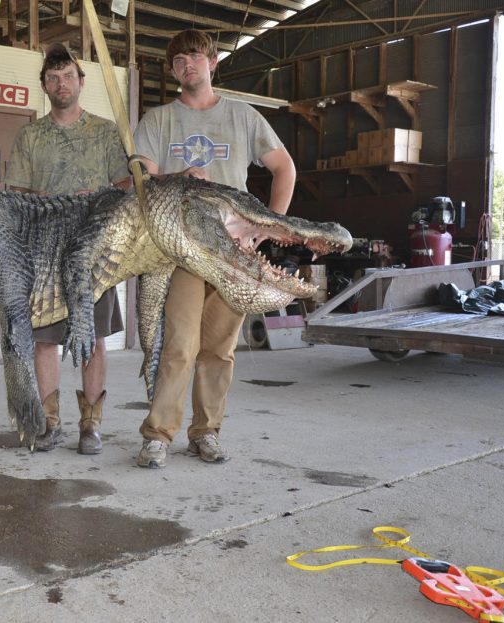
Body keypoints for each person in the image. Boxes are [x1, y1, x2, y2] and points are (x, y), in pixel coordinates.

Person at [133, 30, 297, 468]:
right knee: (179, 345)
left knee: (220, 349)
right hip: (182, 249)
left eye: (195, 57)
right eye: (179, 61)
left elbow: (285, 168)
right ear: (172, 72)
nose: (188, 65)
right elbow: (142, 180)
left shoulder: (243, 117)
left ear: (213, 62)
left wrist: (267, 226)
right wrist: (177, 177)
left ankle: (206, 432)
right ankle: (158, 435)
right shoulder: (158, 120)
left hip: (234, 251)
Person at [5, 43, 128, 455]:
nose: (62, 84)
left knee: (92, 339)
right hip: (44, 254)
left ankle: (91, 424)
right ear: (44, 85)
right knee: (45, 341)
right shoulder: (30, 135)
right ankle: (48, 421)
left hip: (96, 252)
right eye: (53, 78)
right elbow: (16, 194)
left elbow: (127, 186)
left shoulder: (107, 131)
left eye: (68, 76)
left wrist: (98, 195)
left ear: (81, 80)